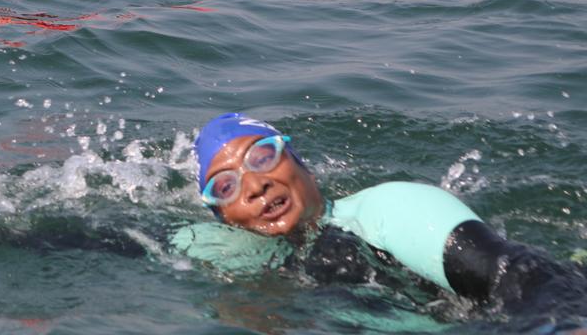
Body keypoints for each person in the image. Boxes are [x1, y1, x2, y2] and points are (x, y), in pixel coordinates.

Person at [176, 113, 587, 322]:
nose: (254, 186)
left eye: (262, 156)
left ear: (302, 165)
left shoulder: (390, 208)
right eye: (225, 186)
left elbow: (523, 277)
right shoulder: (232, 261)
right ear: (223, 216)